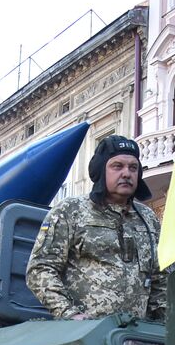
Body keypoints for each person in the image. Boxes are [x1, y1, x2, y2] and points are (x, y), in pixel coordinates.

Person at [26, 135, 167, 321]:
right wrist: (68, 313)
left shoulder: (148, 218)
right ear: (101, 170)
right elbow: (40, 269)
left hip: (133, 338)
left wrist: (163, 324)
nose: (126, 173)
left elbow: (159, 279)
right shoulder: (71, 210)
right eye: (117, 166)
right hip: (81, 335)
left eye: (133, 168)